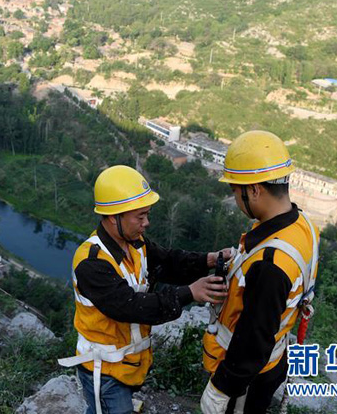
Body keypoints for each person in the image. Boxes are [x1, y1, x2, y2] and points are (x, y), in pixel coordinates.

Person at [59, 165, 231, 414]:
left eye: (147, 215)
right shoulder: (92, 262)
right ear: (113, 216)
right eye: (140, 216)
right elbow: (131, 306)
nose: (146, 223)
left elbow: (168, 261)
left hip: (127, 364)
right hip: (106, 370)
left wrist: (210, 260)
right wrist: (189, 293)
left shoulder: (135, 244)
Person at [201, 130, 320, 414]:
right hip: (271, 362)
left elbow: (254, 339)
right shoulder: (300, 225)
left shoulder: (271, 263)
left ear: (254, 190)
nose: (236, 199)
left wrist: (221, 389)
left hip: (245, 380)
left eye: (235, 190)